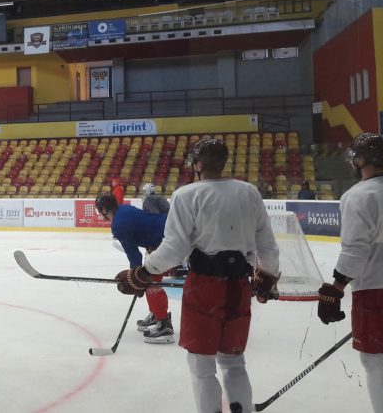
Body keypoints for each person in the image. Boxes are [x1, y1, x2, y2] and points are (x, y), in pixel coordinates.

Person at [114, 138, 280, 413]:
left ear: (197, 164)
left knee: (202, 366)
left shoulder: (186, 195)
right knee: (234, 361)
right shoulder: (249, 192)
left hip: (203, 288)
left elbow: (174, 249)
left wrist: (144, 272)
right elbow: (267, 245)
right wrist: (268, 279)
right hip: (238, 286)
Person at [317, 133, 383, 413]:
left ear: (360, 159)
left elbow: (355, 251)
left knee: (375, 362)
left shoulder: (356, 196)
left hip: (375, 287)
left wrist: (336, 287)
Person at [95, 193, 173, 343]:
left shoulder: (118, 225)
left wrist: (136, 278)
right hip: (163, 235)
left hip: (163, 241)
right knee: (150, 280)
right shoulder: (124, 209)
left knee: (150, 281)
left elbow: (134, 256)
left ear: (103, 210)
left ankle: (164, 326)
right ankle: (156, 314)